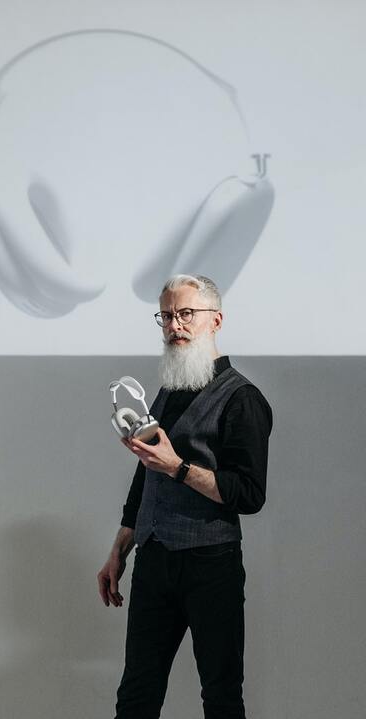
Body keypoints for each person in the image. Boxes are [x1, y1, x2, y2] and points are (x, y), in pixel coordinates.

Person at [97, 273, 273, 719]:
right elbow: (147, 475)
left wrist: (177, 467)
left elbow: (249, 495)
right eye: (167, 315)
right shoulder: (170, 390)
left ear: (215, 320)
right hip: (155, 561)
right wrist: (121, 546)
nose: (176, 325)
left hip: (210, 565)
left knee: (220, 697)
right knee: (136, 694)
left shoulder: (243, 399)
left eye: (187, 314)